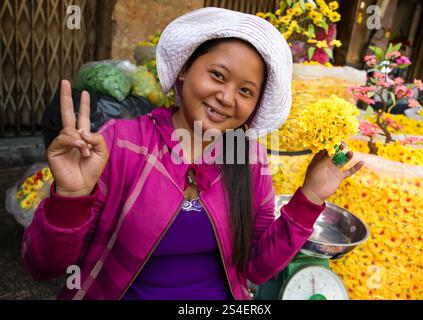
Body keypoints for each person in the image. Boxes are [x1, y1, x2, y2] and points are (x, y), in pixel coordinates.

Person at [21, 7, 364, 300]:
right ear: (185, 69)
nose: (227, 97)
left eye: (245, 90)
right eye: (217, 75)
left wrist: (310, 198)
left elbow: (257, 269)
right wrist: (70, 199)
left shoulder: (249, 161)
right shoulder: (121, 144)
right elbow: (43, 266)